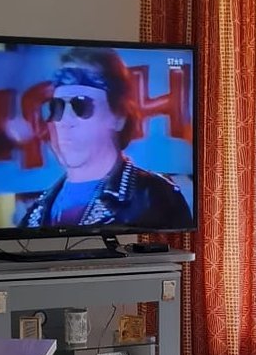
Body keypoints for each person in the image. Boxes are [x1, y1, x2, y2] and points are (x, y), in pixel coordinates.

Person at [17, 51, 192, 231]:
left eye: (80, 105)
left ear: (118, 117)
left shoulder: (155, 197)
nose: (64, 122)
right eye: (57, 107)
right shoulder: (35, 214)